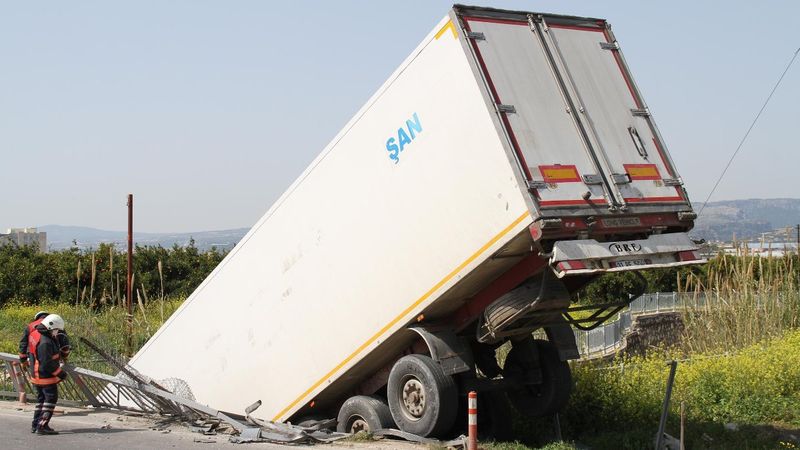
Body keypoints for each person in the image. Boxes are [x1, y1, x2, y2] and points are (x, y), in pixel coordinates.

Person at [28, 313, 68, 435]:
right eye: (56, 330)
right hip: (44, 376)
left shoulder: (35, 334)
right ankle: (42, 426)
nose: (57, 333)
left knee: (41, 401)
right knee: (50, 400)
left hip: (36, 374)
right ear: (51, 327)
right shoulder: (45, 342)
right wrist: (60, 373)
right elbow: (47, 363)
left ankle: (35, 425)